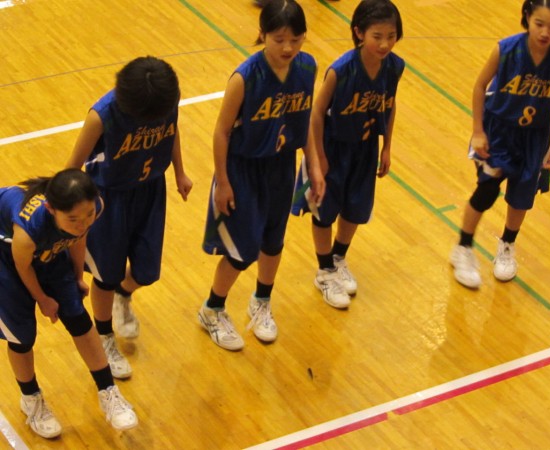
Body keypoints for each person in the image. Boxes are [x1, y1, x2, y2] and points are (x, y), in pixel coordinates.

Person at [199, 0, 325, 351]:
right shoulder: (245, 77)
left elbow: (306, 122)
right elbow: (221, 131)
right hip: (243, 169)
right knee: (241, 251)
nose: (288, 47)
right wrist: (223, 182)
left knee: (273, 241)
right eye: (279, 38)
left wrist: (313, 165)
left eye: (296, 39)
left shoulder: (307, 67)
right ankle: (212, 308)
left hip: (281, 166)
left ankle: (262, 300)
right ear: (262, 34)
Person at [66, 56, 193, 377]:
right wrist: (73, 216)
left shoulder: (165, 101)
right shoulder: (102, 116)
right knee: (105, 275)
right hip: (108, 200)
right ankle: (105, 335)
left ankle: (125, 293)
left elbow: (172, 130)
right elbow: (70, 169)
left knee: (147, 271)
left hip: (151, 191)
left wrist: (180, 172)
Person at [0, 169, 138, 439]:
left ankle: (107, 390)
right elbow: (23, 266)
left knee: (77, 315)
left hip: (44, 253)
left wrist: (76, 276)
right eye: (73, 218)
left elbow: (78, 237)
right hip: (7, 258)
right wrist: (43, 300)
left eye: (87, 215)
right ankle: (31, 399)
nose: (82, 222)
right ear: (51, 209)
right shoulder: (28, 230)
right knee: (22, 335)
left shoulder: (93, 207)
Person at [450, 0, 550, 289]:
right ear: (527, 18)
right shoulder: (506, 49)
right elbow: (480, 86)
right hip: (500, 131)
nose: (545, 32)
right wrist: (478, 130)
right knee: (487, 190)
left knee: (521, 196)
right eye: (539, 24)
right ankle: (463, 248)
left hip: (536, 136)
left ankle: (507, 245)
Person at [292, 0, 405, 309]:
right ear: (359, 33)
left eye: (391, 36)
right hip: (333, 148)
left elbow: (390, 105)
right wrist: (318, 158)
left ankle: (338, 257)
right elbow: (315, 114)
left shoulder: (395, 66)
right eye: (377, 36)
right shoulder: (340, 70)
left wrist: (387, 146)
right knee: (324, 211)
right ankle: (324, 270)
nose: (384, 43)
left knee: (356, 208)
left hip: (366, 147)